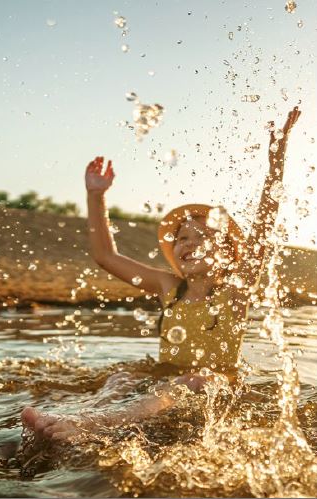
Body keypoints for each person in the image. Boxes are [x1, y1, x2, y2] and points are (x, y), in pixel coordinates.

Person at [21, 106, 301, 441]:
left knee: (195, 380)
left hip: (214, 384)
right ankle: (76, 415)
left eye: (202, 237)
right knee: (122, 376)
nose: (188, 243)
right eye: (182, 238)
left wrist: (276, 160)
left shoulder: (234, 290)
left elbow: (262, 231)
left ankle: (95, 425)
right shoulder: (171, 286)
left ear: (227, 254)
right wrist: (96, 196)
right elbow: (105, 256)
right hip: (166, 381)